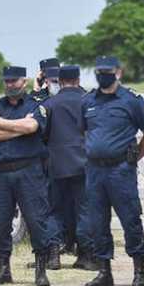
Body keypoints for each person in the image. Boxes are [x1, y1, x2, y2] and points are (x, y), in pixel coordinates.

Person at [82, 56, 144, 286]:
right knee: (97, 222)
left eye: (108, 71)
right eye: (99, 71)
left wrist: (133, 158)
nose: (103, 74)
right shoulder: (88, 101)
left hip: (120, 170)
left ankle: (139, 271)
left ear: (119, 72)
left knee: (130, 220)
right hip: (95, 170)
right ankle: (105, 272)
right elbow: (84, 132)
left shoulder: (130, 100)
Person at [0, 65, 59, 286]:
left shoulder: (36, 105)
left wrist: (3, 124)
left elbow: (32, 126)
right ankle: (3, 269)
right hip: (1, 173)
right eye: (7, 82)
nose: (10, 85)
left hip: (29, 172)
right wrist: (18, 128)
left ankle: (41, 270)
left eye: (14, 81)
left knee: (37, 220)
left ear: (23, 82)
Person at [44, 65, 98, 271]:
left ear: (60, 80)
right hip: (84, 162)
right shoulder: (89, 100)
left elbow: (44, 133)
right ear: (77, 79)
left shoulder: (51, 104)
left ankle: (53, 254)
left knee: (54, 210)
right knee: (84, 209)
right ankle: (87, 254)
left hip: (56, 163)